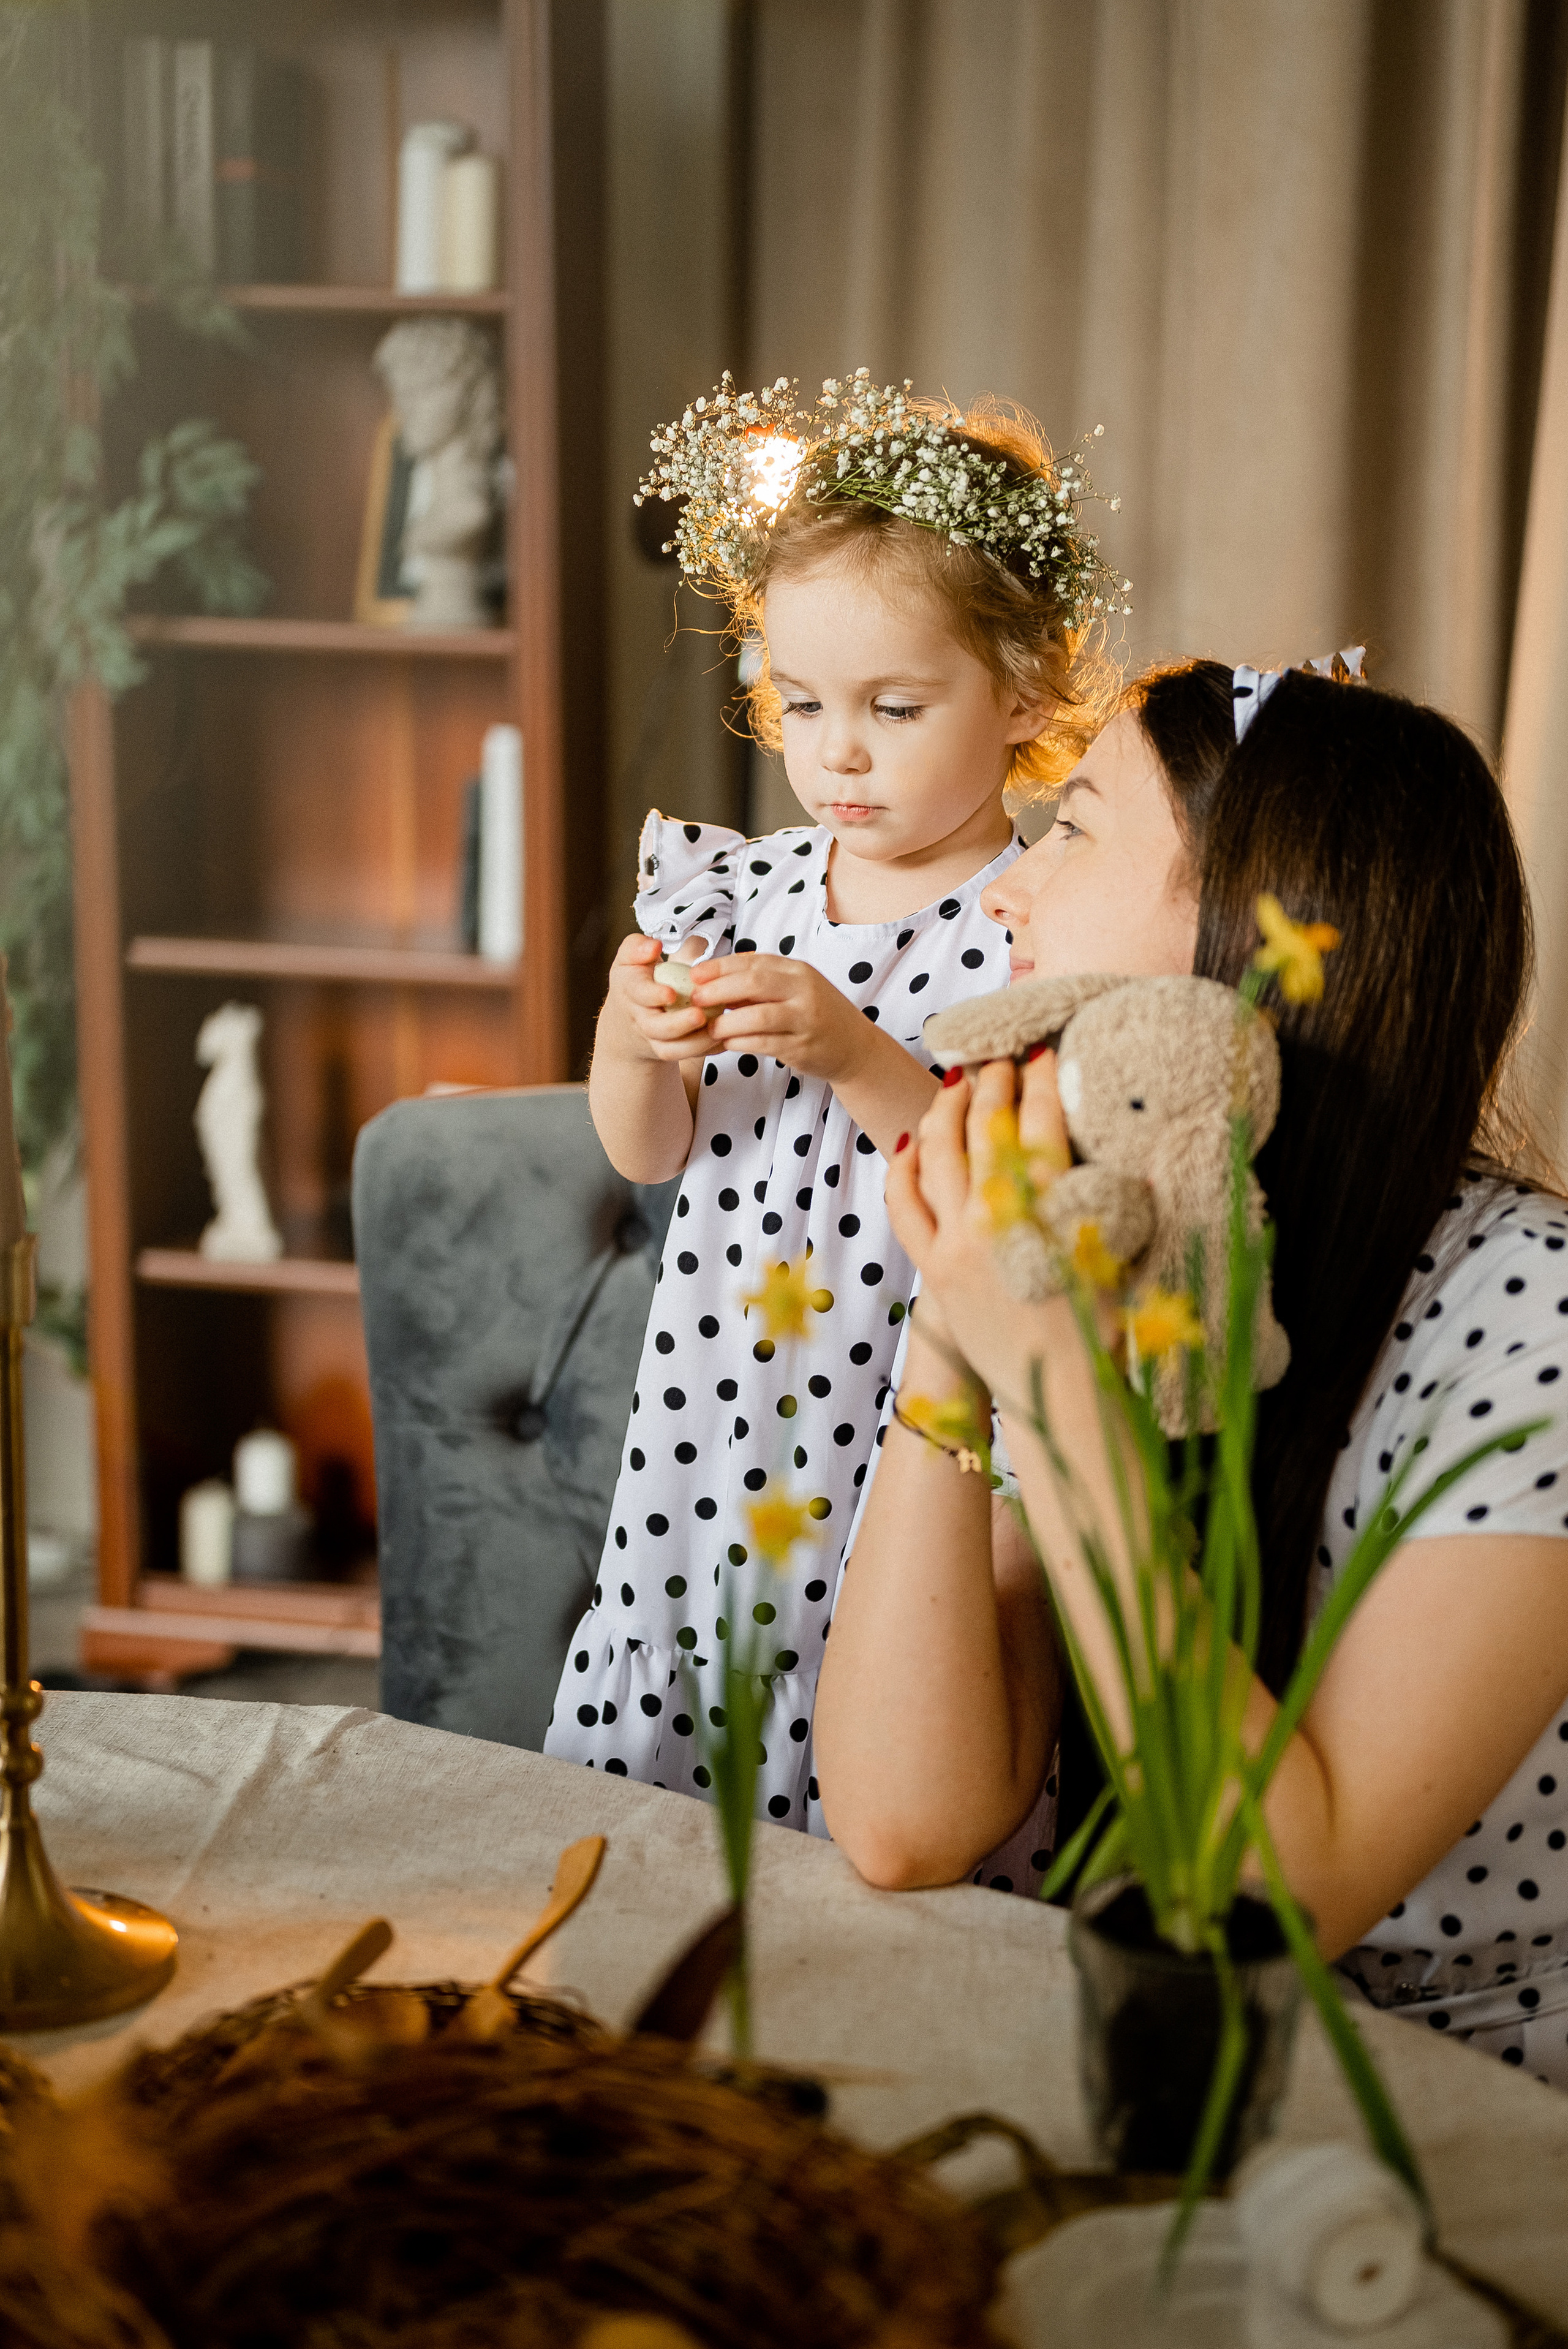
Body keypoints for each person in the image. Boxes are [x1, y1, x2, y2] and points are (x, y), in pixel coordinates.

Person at [814, 657, 1568, 2083]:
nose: (1002, 894)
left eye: (1078, 828)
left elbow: (1282, 1895)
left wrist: (1053, 1389)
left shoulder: (1532, 1310)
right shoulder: (1135, 1249)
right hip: (1162, 2053)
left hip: (1475, 2105)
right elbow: (906, 1821)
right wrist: (954, 1326)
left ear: (1259, 919)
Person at [543, 372, 1126, 1821]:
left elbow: (1010, 1193)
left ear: (1025, 694)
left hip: (901, 1415)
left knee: (876, 1711)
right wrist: (633, 1041)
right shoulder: (730, 887)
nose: (837, 751)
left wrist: (860, 1054)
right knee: (677, 1723)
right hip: (713, 1406)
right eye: (799, 703)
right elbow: (645, 1149)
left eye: (892, 706)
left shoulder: (1041, 917)